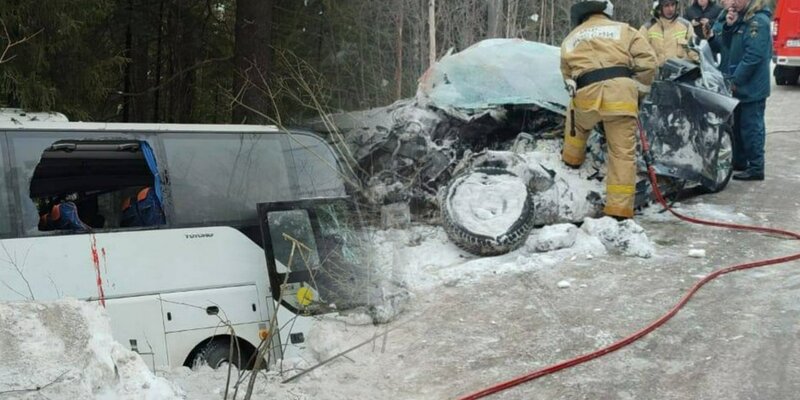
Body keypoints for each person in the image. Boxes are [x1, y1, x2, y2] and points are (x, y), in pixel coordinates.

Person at [561, 0, 657, 219]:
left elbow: (567, 78)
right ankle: (619, 210)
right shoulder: (624, 30)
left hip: (586, 97)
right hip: (620, 98)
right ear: (607, 13)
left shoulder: (570, 39)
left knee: (574, 119)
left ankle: (571, 159)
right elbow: (649, 62)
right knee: (622, 154)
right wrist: (638, 91)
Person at [706, 0, 772, 180]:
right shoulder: (740, 18)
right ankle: (740, 161)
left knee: (751, 128)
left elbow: (754, 56)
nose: (733, 2)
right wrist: (729, 26)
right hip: (738, 85)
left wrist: (736, 80)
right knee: (738, 128)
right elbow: (726, 46)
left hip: (751, 87)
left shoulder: (758, 22)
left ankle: (756, 167)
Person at [640, 0, 700, 65]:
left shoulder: (686, 26)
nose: (671, 9)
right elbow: (640, 55)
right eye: (666, 5)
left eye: (673, 5)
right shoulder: (647, 29)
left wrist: (700, 63)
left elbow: (694, 52)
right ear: (658, 7)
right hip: (657, 73)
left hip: (681, 73)